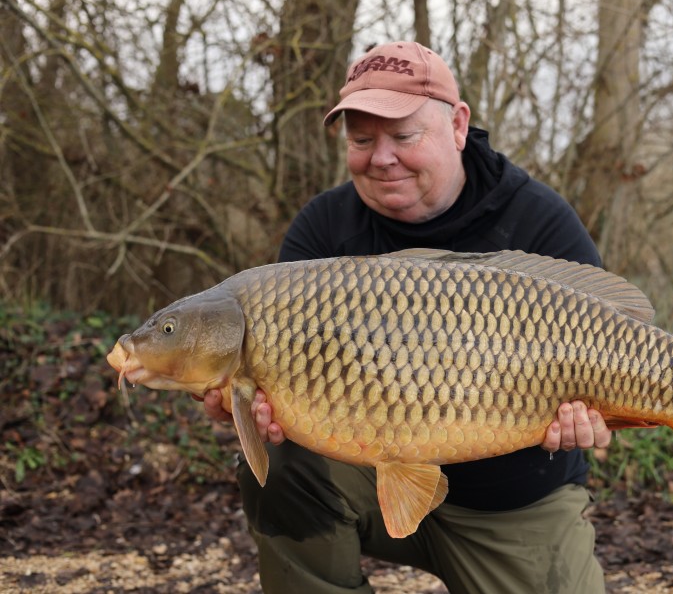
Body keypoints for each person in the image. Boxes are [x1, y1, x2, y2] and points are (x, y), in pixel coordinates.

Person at [200, 41, 612, 593]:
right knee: (282, 466)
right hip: (366, 483)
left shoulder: (538, 222)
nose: (381, 157)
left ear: (458, 125)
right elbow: (275, 395)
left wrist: (593, 421)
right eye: (362, 140)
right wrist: (253, 410)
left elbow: (612, 349)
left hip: (512, 504)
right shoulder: (323, 231)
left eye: (402, 136)